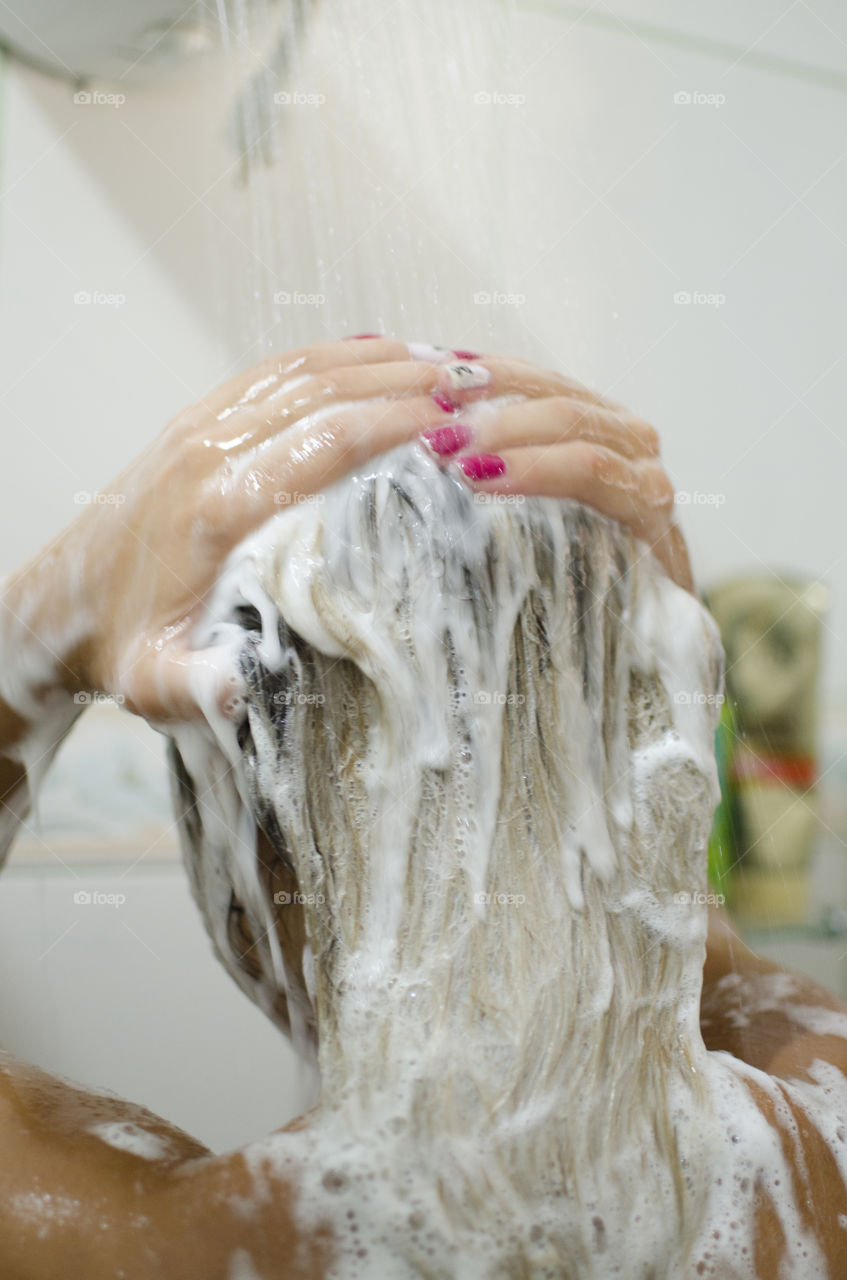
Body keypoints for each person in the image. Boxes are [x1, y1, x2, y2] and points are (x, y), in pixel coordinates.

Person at [0, 338, 844, 1278]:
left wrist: (50, 613)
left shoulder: (152, 1244)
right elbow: (684, 937)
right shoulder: (818, 1162)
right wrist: (645, 693)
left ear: (250, 886)